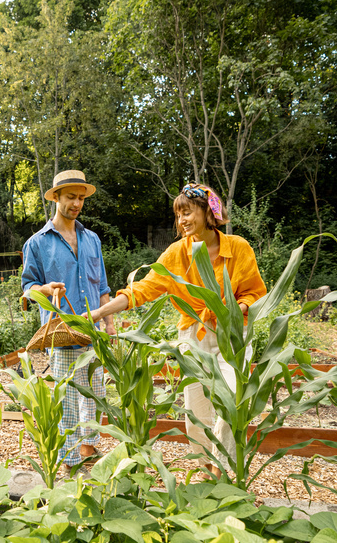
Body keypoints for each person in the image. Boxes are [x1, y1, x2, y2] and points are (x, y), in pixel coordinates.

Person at [87, 183, 267, 477]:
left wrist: (238, 308)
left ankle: (222, 472)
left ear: (209, 213)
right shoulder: (175, 254)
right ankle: (206, 469)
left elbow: (254, 292)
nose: (182, 220)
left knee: (233, 403)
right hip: (193, 335)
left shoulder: (239, 248)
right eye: (178, 215)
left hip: (231, 335)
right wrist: (98, 312)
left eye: (188, 212)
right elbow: (143, 289)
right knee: (196, 412)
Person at [21, 170, 115, 472]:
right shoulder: (36, 243)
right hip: (62, 331)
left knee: (96, 394)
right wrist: (44, 290)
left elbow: (101, 286)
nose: (77, 203)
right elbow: (28, 288)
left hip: (94, 329)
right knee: (69, 399)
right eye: (71, 197)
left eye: (81, 198)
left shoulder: (92, 240)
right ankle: (70, 462)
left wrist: (110, 323)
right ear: (56, 198)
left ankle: (88, 448)